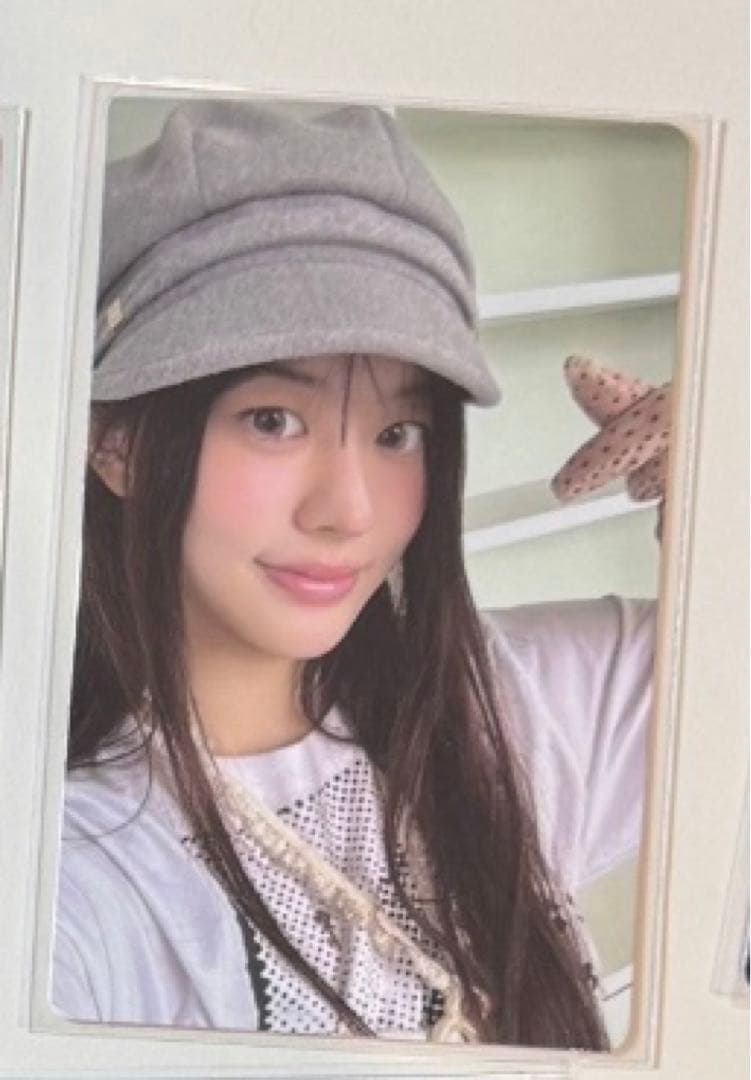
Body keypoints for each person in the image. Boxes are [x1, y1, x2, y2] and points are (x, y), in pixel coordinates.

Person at [52, 100, 656, 1048]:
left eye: (396, 432)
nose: (350, 511)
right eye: (273, 421)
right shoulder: (83, 879)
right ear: (117, 442)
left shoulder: (512, 703)